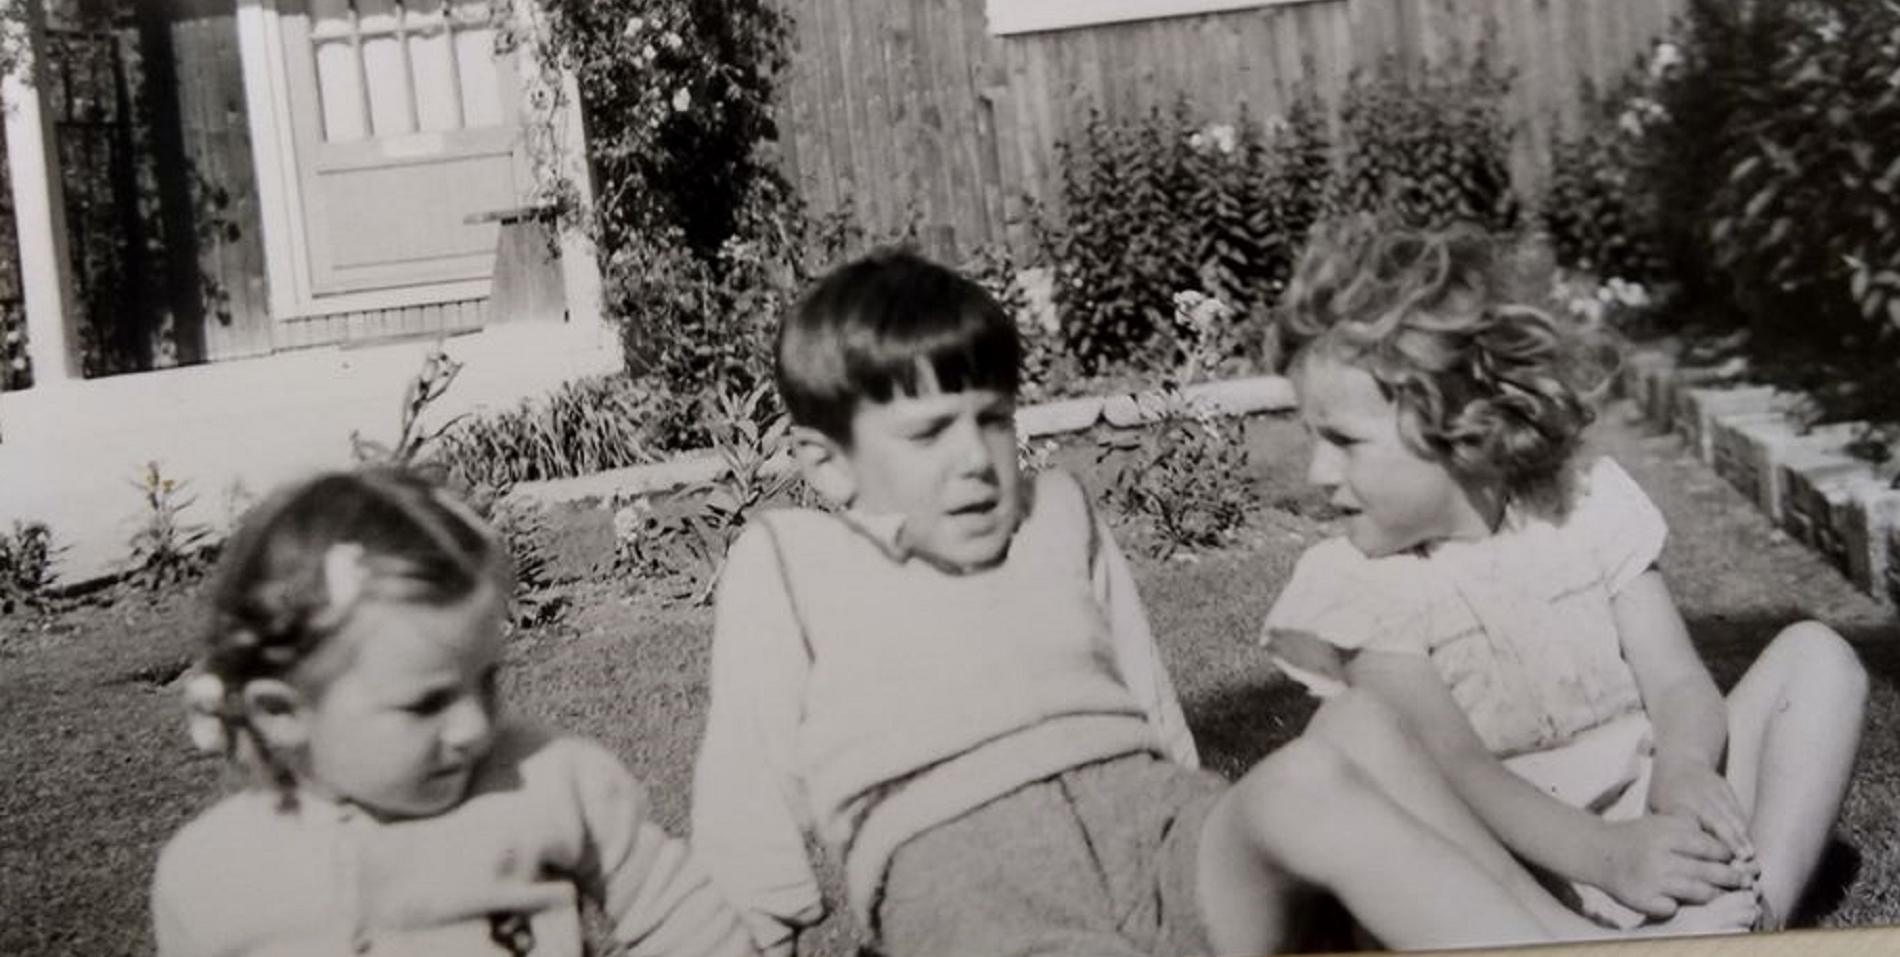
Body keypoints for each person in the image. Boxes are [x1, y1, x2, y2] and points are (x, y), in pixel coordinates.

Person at [691, 246, 1705, 957]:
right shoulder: (791, 556)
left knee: (1345, 729)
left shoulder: (1055, 513)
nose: (973, 461)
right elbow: (747, 798)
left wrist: (1199, 809)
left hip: (1163, 835)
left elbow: (1150, 712)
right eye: (927, 434)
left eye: (991, 419)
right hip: (968, 880)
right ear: (826, 464)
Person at [1260, 221, 1868, 934]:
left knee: (1817, 657)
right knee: (1373, 769)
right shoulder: (1362, 585)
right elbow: (1457, 767)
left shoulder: (1585, 509)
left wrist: (1686, 765)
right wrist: (1607, 855)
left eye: (1343, 441)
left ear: (1462, 425)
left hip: (1644, 808)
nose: (1317, 473)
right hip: (1509, 861)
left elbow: (1674, 677)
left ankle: (1758, 912)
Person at [151, 467, 752, 957]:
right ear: (283, 713)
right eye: (426, 703)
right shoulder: (214, 875)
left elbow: (685, 919)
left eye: (487, 680)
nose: (472, 728)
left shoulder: (552, 782)